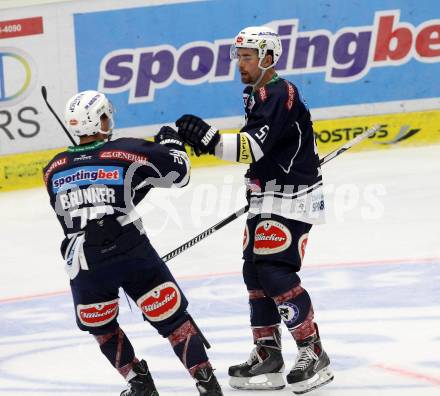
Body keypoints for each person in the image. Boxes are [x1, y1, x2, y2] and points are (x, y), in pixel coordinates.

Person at [175, 26, 333, 394]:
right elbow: (263, 152)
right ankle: (268, 353)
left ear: (267, 58)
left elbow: (251, 148)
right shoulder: (257, 95)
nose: (240, 63)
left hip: (294, 196)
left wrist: (210, 141)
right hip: (268, 195)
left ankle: (314, 350)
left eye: (247, 56)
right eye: (239, 56)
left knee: (276, 271)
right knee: (254, 272)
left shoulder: (280, 92)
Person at [43, 90, 223, 396]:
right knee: (171, 316)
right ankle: (206, 382)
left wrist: (125, 194)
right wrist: (172, 144)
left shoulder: (52, 169)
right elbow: (180, 175)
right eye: (104, 114)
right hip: (131, 250)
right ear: (98, 120)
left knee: (101, 325)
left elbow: (75, 215)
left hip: (85, 261)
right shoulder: (126, 151)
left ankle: (138, 382)